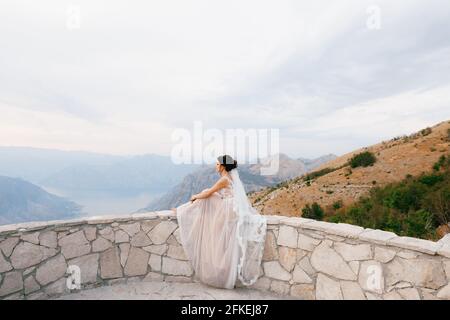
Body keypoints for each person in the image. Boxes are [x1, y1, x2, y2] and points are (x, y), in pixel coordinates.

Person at [174, 155, 267, 289]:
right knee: (211, 196)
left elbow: (208, 193)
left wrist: (194, 196)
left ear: (222, 166)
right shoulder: (230, 178)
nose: (215, 166)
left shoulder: (224, 179)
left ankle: (182, 211)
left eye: (217, 164)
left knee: (207, 193)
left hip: (228, 209)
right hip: (232, 209)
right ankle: (182, 210)